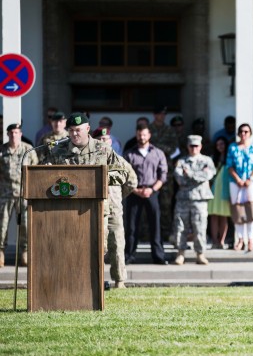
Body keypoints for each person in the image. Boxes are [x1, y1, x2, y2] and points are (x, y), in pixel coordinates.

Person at [42, 113, 132, 273]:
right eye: (71, 130)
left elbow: (123, 173)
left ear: (88, 129)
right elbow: (43, 175)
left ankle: (96, 285)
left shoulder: (103, 149)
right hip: (67, 210)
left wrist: (99, 178)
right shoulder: (58, 151)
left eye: (78, 130)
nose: (74, 134)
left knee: (98, 248)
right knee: (70, 248)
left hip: (97, 209)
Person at [92, 126, 137, 288]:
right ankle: (96, 280)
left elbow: (132, 181)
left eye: (106, 139)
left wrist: (118, 196)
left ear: (110, 141)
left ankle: (119, 280)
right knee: (98, 246)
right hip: (97, 210)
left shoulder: (119, 160)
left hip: (115, 211)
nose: (104, 142)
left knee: (117, 244)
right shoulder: (91, 161)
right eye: (100, 140)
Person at [123, 123, 169, 265]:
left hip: (152, 192)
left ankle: (158, 256)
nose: (142, 137)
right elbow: (123, 175)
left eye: (144, 134)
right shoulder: (129, 154)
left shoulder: (158, 153)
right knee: (131, 226)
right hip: (134, 193)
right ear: (136, 135)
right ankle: (129, 255)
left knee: (155, 225)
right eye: (139, 134)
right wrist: (136, 190)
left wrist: (152, 189)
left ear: (149, 135)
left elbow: (163, 175)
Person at [173, 135, 216, 265]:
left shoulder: (207, 161)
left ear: (200, 146)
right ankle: (180, 253)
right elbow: (179, 178)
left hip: (200, 199)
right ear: (188, 146)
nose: (194, 148)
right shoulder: (181, 161)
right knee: (180, 227)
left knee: (200, 227)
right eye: (191, 146)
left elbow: (208, 175)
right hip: (183, 199)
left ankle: (200, 254)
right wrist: (197, 176)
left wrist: (190, 174)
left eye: (196, 146)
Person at [0, 124, 38, 267]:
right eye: (11, 133)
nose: (13, 135)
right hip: (6, 194)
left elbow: (35, 171)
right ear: (8, 134)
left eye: (16, 132)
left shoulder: (28, 150)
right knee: (2, 225)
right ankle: (0, 252)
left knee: (25, 224)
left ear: (20, 134)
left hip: (24, 194)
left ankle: (25, 252)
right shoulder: (2, 150)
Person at [227, 123, 253, 252]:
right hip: (235, 181)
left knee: (251, 209)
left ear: (250, 133)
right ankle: (240, 238)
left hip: (251, 182)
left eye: (246, 131)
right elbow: (229, 165)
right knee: (238, 210)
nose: (243, 134)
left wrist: (249, 179)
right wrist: (238, 179)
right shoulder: (233, 147)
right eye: (241, 131)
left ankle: (251, 239)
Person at [149, 105, 179, 241]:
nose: (161, 116)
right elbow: (144, 147)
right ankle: (148, 234)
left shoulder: (170, 130)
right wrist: (162, 149)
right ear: (154, 115)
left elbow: (174, 150)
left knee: (166, 205)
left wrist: (158, 148)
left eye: (163, 114)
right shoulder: (148, 130)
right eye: (159, 114)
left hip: (166, 173)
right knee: (149, 205)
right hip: (150, 172)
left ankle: (165, 233)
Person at [208, 136, 231, 249]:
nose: (220, 147)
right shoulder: (212, 159)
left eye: (222, 144)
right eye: (218, 145)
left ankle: (221, 240)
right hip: (213, 190)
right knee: (213, 215)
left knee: (224, 216)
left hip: (225, 189)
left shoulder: (230, 158)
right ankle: (214, 241)